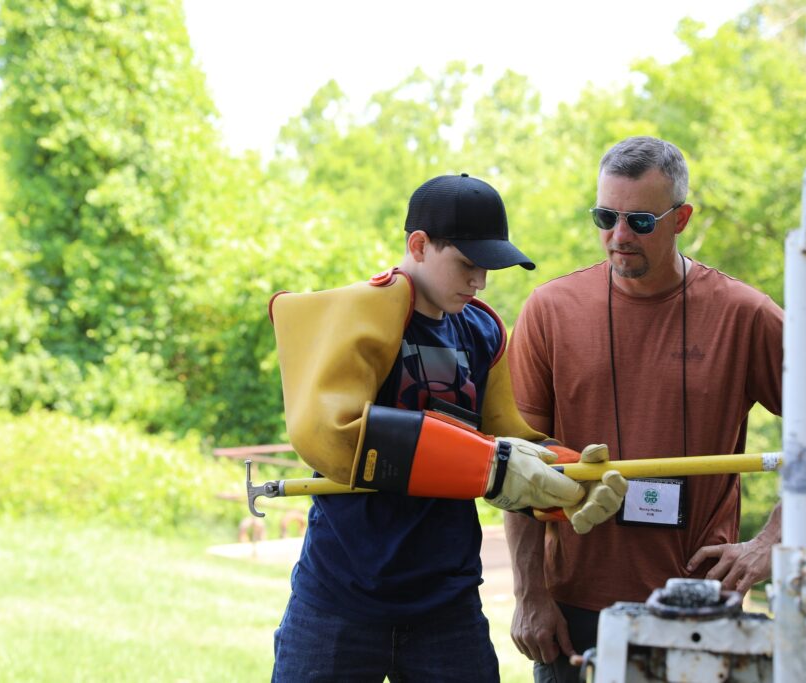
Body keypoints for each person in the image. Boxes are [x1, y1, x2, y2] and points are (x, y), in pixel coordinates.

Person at [505, 136, 806, 683]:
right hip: (574, 610)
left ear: (683, 219)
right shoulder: (550, 311)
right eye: (605, 217)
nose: (619, 237)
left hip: (700, 607)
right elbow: (520, 463)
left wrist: (775, 537)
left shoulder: (741, 313)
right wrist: (530, 595)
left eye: (640, 222)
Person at [268, 173, 628, 682]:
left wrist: (570, 478)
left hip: (448, 608)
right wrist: (495, 466)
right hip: (340, 599)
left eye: (486, 268)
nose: (479, 280)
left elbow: (506, 439)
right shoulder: (363, 310)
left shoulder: (484, 330)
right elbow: (333, 433)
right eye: (467, 263)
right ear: (418, 244)